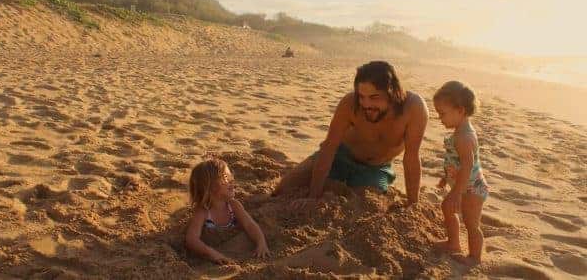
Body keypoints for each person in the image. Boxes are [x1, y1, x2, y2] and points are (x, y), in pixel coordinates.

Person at [273, 61, 428, 207]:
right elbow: (329, 147)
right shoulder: (349, 103)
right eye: (362, 97)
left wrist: (413, 205)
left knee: (366, 204)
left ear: (393, 93)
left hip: (375, 168)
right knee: (283, 189)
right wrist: (313, 196)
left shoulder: (413, 108)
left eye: (374, 97)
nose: (366, 104)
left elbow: (411, 157)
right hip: (339, 157)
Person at [433, 81, 488, 266]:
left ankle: (474, 257)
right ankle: (453, 244)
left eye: (442, 113)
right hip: (462, 185)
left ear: (461, 110)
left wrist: (457, 192)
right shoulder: (459, 132)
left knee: (471, 223)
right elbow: (454, 162)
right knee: (447, 208)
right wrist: (446, 177)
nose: (440, 118)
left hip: (472, 189)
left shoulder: (464, 137)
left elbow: (467, 166)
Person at [185, 159, 270, 264]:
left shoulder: (234, 206)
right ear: (210, 186)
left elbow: (249, 225)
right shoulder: (203, 211)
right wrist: (212, 253)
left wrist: (261, 242)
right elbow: (191, 239)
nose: (232, 181)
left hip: (239, 254)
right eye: (226, 178)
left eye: (231, 177)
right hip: (214, 257)